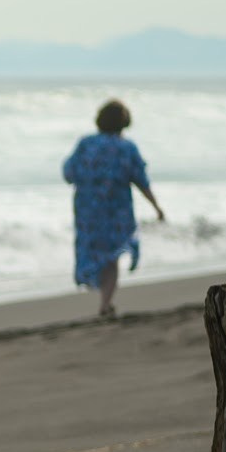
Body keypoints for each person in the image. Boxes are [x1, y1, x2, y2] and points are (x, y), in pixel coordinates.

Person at [65, 99, 165, 316]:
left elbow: (68, 173)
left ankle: (101, 297)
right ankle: (105, 302)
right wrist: (156, 207)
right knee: (112, 256)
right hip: (116, 210)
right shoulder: (126, 148)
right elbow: (141, 180)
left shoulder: (86, 144)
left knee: (91, 249)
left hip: (87, 209)